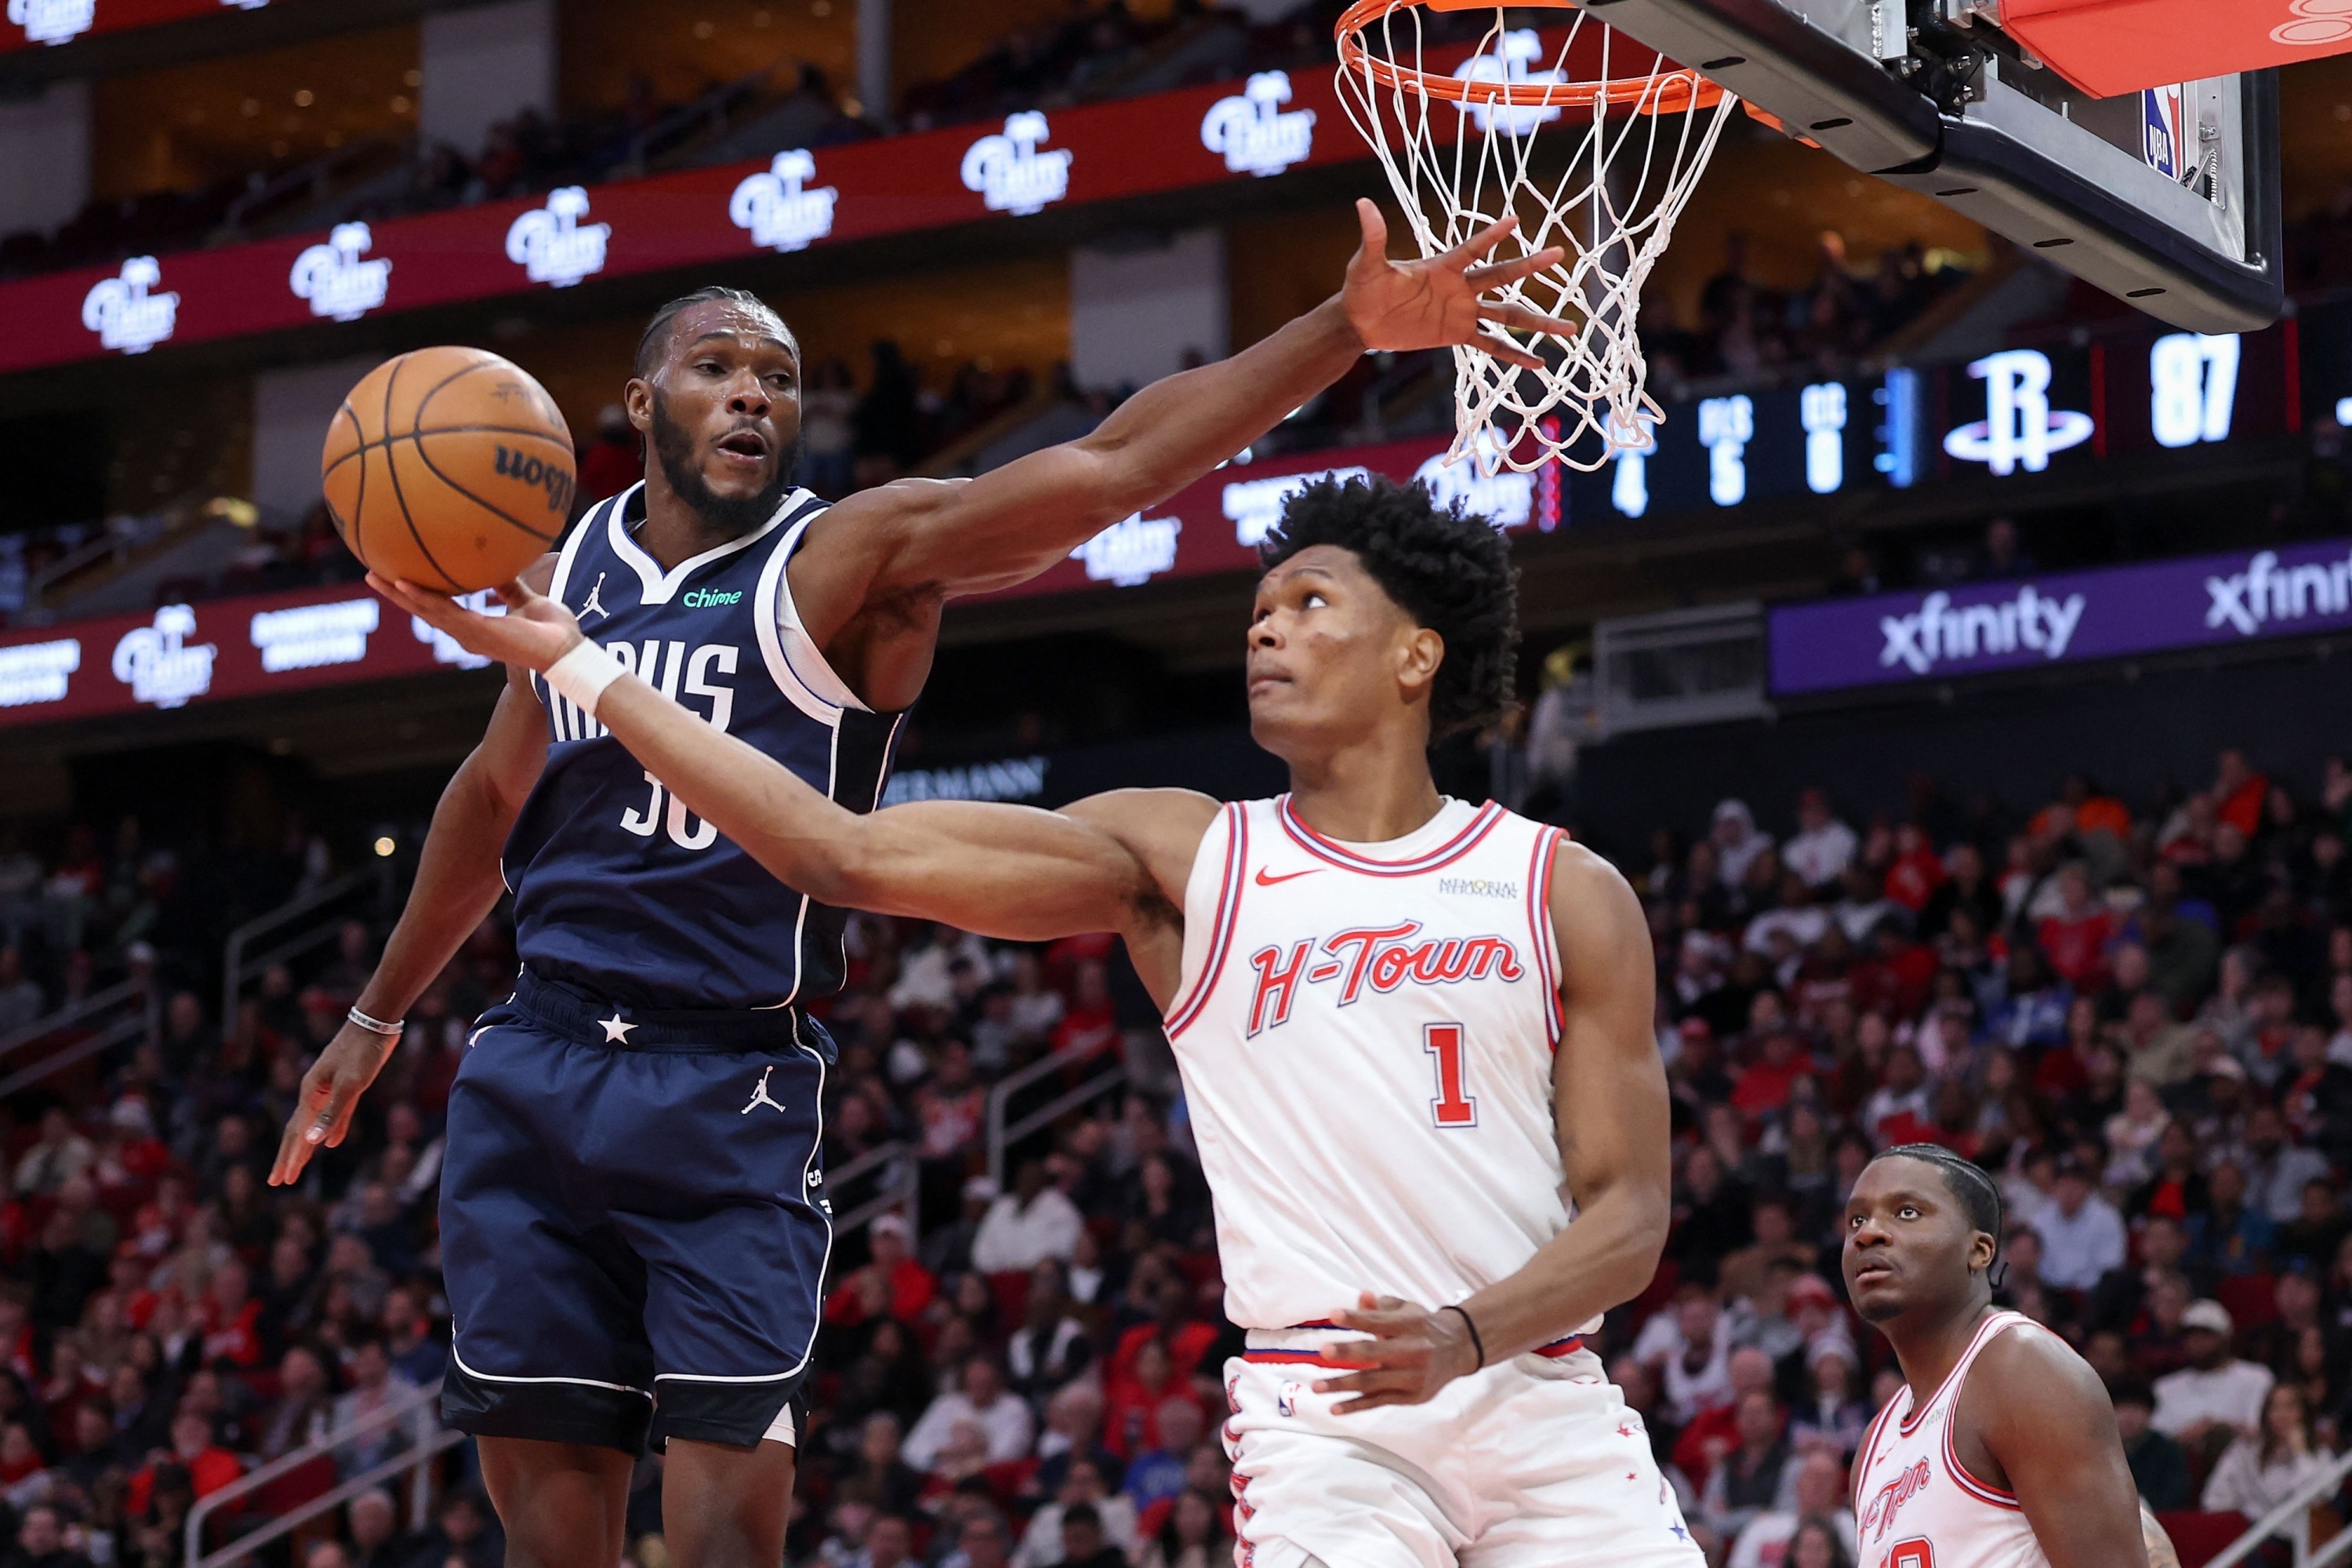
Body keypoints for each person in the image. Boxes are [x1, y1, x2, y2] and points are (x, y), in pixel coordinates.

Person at [274, 205, 1569, 1566]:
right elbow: (493, 799)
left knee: (726, 1537)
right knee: (552, 1530)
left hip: (727, 1088)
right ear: (645, 402)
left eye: (780, 378)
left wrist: (1343, 330)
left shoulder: (850, 558)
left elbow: (1111, 466)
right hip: (536, 1060)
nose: (759, 394)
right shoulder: (563, 570)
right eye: (724, 367)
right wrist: (374, 1018)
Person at [391, 468, 1692, 1568]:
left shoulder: (1564, 889)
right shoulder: (1183, 857)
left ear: (1416, 653)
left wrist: (1466, 1335)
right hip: (1327, 1417)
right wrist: (584, 668)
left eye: (1308, 605)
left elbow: (1631, 1215)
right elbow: (839, 851)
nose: (1263, 632)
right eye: (1256, 611)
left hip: (1542, 1397)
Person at [1844, 1142, 2159, 1568]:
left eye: (1906, 1213)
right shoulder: (1874, 1444)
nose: (1867, 1233)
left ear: (1980, 1251)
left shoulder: (2021, 1368)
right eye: (1857, 1219)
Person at [2200, 1381, 2335, 1526]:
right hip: (2247, 1530)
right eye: (2274, 1407)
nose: (2281, 1415)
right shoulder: (2246, 1449)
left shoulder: (2321, 1455)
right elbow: (2214, 1499)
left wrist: (2300, 1452)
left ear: (2305, 1413)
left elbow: (2314, 1499)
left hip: (2290, 1537)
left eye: (2290, 1407)